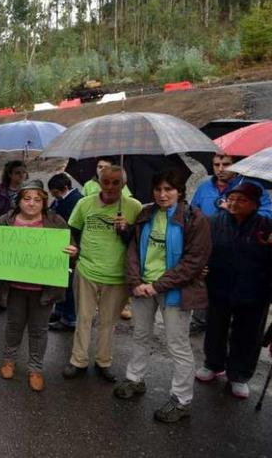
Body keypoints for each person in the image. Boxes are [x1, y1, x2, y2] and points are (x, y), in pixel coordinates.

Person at [114, 171, 211, 423]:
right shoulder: (146, 213)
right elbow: (133, 249)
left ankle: (182, 399)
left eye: (169, 189)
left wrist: (156, 286)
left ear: (180, 191)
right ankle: (134, 379)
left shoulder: (194, 219)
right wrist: (136, 281)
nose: (162, 194)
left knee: (177, 345)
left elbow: (192, 263)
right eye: (158, 189)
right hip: (142, 288)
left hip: (174, 291)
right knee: (140, 335)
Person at [0, 180, 78, 392]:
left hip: (44, 290)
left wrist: (72, 251)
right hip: (14, 287)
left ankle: (35, 368)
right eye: (27, 198)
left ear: (44, 202)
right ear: (19, 200)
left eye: (37, 199)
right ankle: (9, 359)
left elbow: (71, 246)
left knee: (39, 329)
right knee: (14, 325)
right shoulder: (6, 221)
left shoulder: (55, 221)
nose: (32, 203)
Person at [63, 165, 143, 382]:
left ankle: (103, 362)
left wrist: (126, 230)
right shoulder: (84, 203)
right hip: (87, 270)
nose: (110, 187)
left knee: (109, 322)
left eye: (116, 182)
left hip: (117, 276)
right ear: (99, 182)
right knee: (84, 319)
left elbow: (139, 243)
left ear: (124, 184)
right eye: (106, 181)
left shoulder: (134, 207)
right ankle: (78, 361)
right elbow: (73, 230)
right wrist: (75, 251)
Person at [197, 183, 272, 400]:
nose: (234, 203)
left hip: (254, 292)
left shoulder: (266, 226)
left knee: (247, 334)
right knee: (215, 327)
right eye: (232, 198)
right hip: (219, 287)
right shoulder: (214, 222)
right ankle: (213, 363)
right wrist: (202, 268)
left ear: (255, 205)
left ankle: (239, 375)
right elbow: (202, 250)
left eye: (242, 200)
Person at [189, 153, 272, 334]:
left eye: (226, 164)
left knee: (230, 287)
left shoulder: (250, 187)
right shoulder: (204, 188)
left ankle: (231, 328)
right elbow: (192, 212)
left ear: (236, 166)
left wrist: (237, 210)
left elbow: (267, 213)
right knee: (205, 281)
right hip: (208, 244)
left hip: (238, 245)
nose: (220, 169)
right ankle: (200, 320)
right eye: (216, 164)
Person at [0, 160, 29, 312]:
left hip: (22, 236)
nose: (21, 176)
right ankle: (0, 301)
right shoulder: (0, 192)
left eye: (23, 173)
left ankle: (17, 301)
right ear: (10, 174)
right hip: (1, 234)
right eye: (17, 173)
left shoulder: (28, 192)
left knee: (19, 269)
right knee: (0, 271)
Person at [48, 173, 83, 331]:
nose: (54, 196)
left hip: (71, 247)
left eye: (55, 192)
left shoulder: (76, 200)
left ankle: (69, 318)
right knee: (60, 281)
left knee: (68, 285)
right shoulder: (61, 200)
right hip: (61, 245)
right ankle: (59, 310)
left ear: (65, 188)